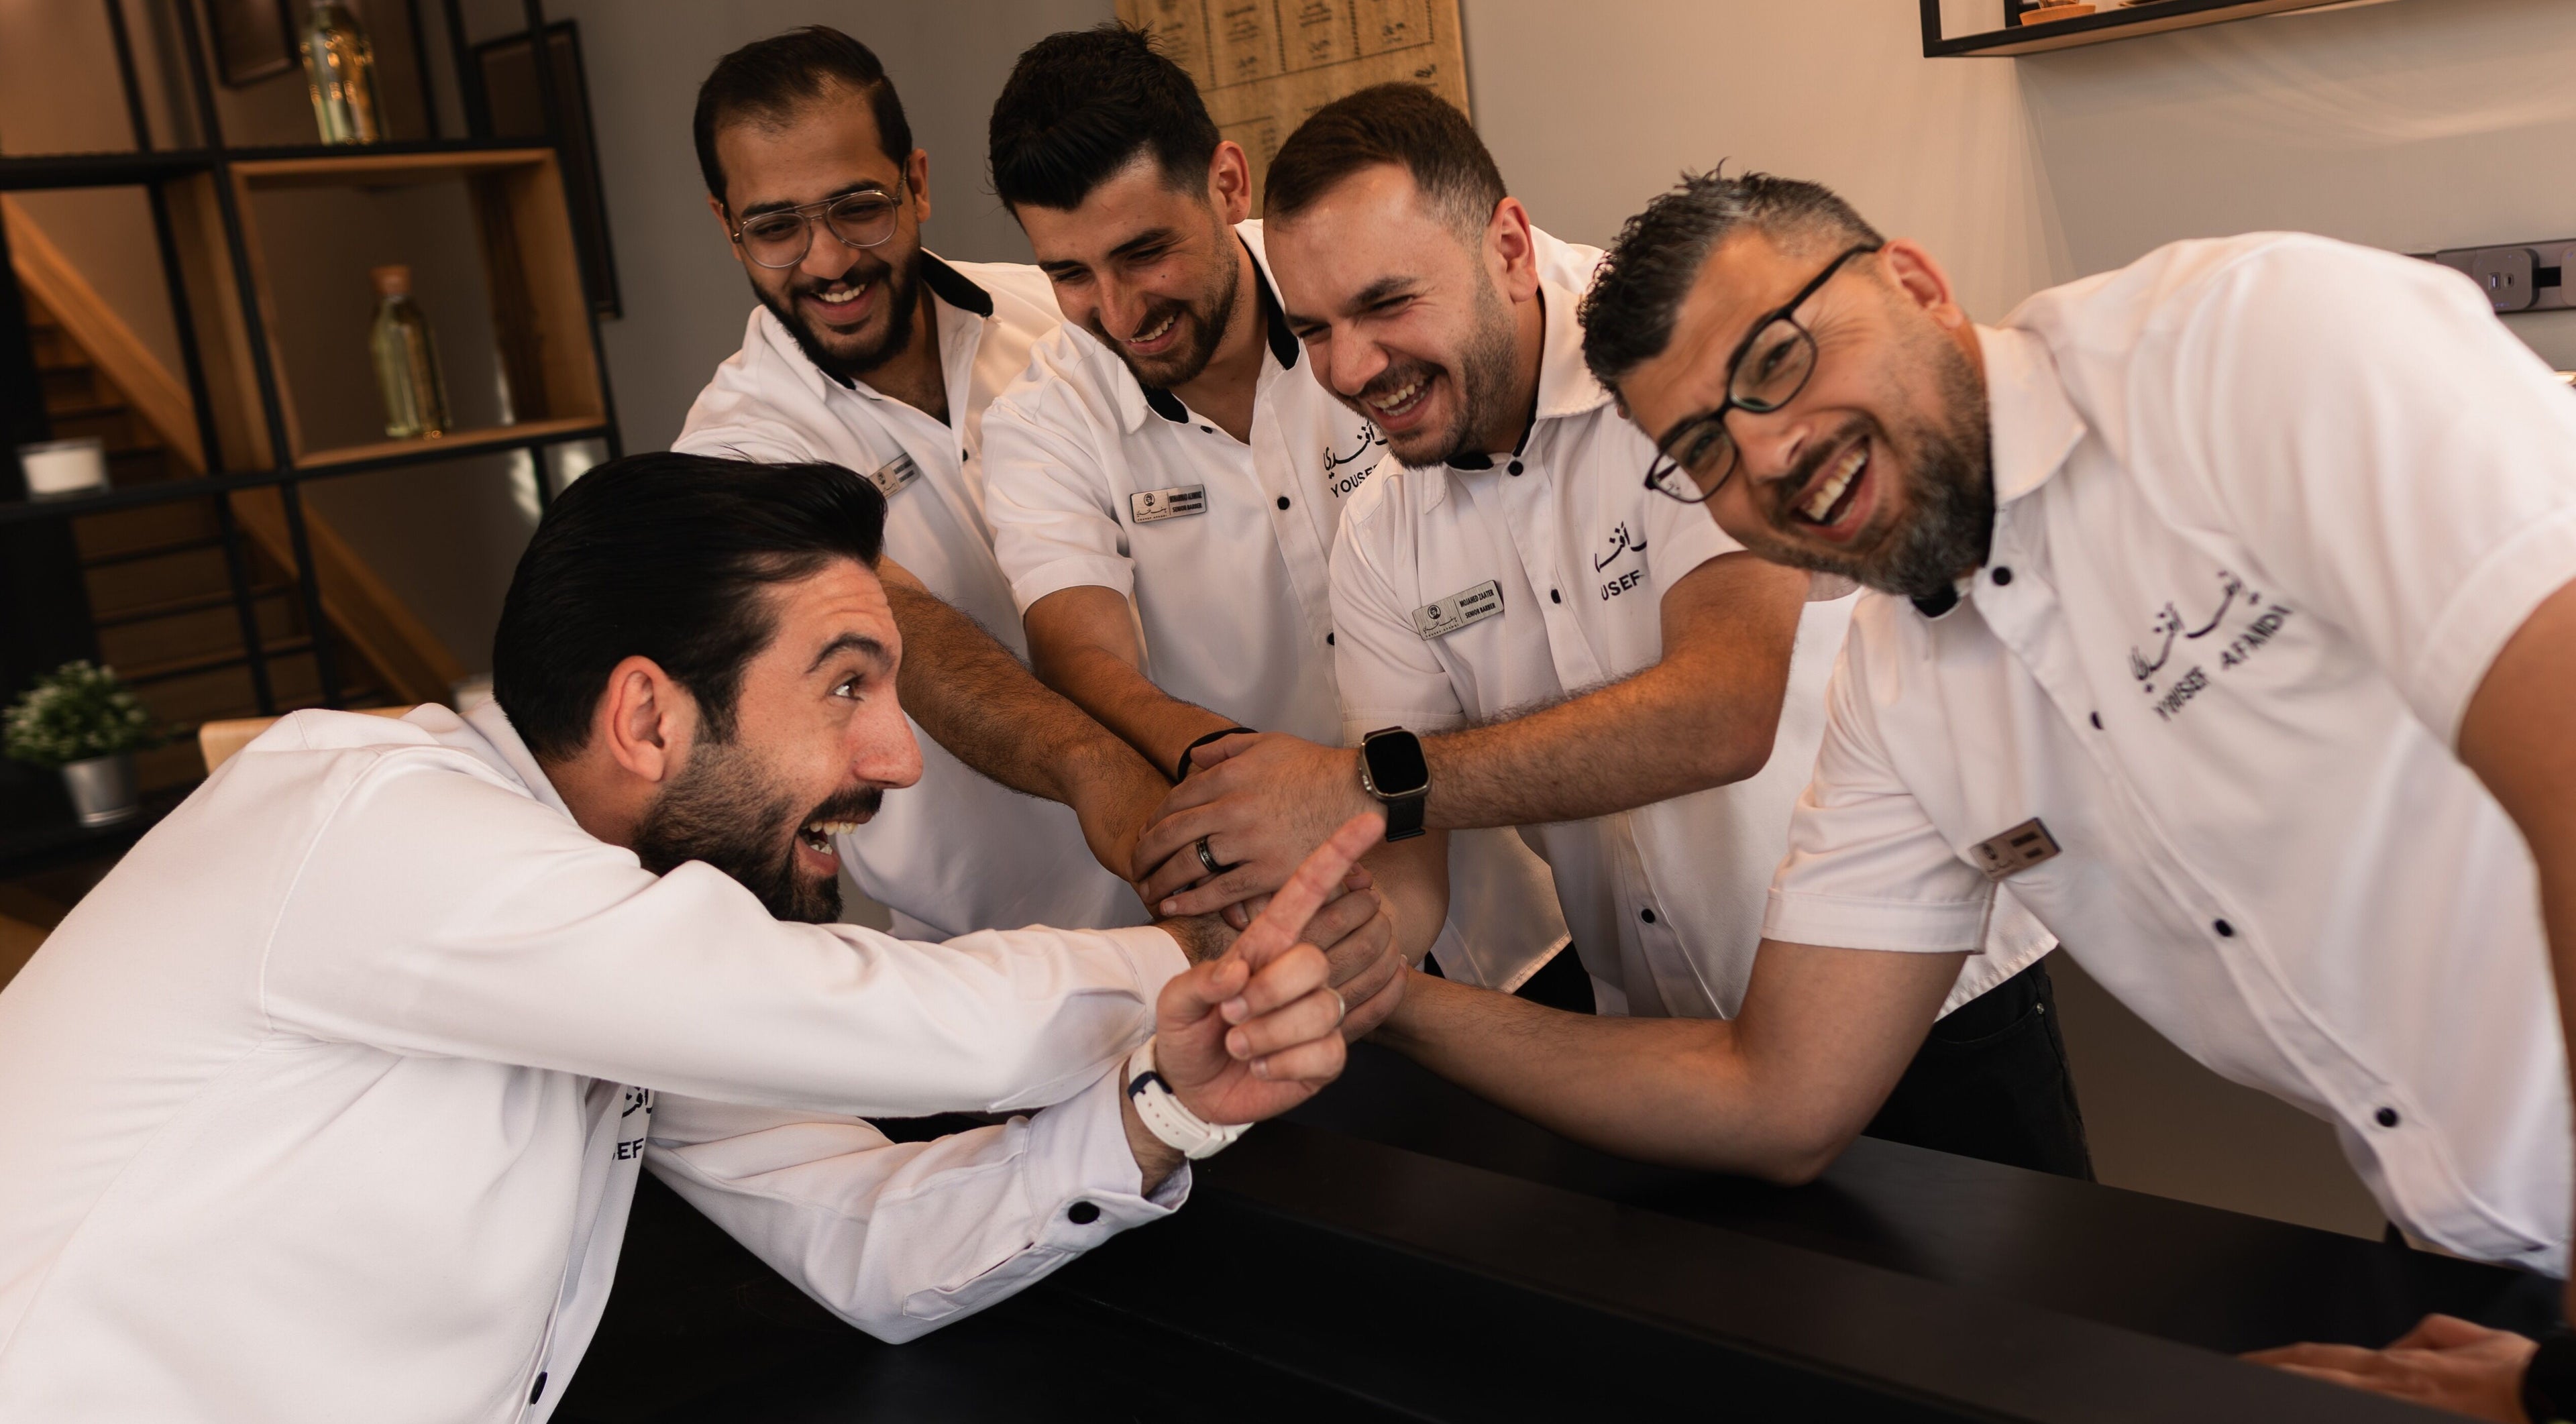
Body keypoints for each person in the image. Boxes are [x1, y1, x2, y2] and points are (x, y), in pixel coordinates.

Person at [1374, 167, 2576, 1421]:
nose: (1769, 453)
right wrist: (1393, 1003)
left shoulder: (2249, 348)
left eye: (1777, 360)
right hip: (2469, 1260)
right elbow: (1777, 1096)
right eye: (1704, 451)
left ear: (1916, 283)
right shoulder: (1901, 684)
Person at [0, 453, 1400, 1423]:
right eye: (845, 686)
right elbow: (874, 1016)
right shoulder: (370, 821)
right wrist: (1211, 957)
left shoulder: (610, 951)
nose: (898, 758)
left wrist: (1164, 1105)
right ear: (647, 718)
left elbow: (870, 1241)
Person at [1139, 85, 2082, 1174]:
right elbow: (1409, 875)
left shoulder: (1675, 365)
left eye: (1388, 304)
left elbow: (1722, 711)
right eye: (1313, 330)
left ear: (1506, 247)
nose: (1351, 370)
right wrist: (1324, 952)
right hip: (1650, 1051)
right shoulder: (1382, 530)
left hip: (1931, 1002)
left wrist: (1359, 784)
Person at [978, 24, 1583, 995]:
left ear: (1227, 184)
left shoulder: (1365, 280)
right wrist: (1248, 772)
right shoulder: (1042, 423)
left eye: (1144, 253)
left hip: (1544, 887)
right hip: (1310, 916)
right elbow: (1081, 655)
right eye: (1071, 275)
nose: (1120, 313)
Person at [676, 27, 1175, 939]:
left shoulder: (1058, 310)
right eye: (778, 229)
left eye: (858, 208)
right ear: (727, 227)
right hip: (1001, 950)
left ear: (916, 182)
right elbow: (902, 629)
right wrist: (1097, 769)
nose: (828, 261)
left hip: (1225, 853)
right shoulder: (731, 453)